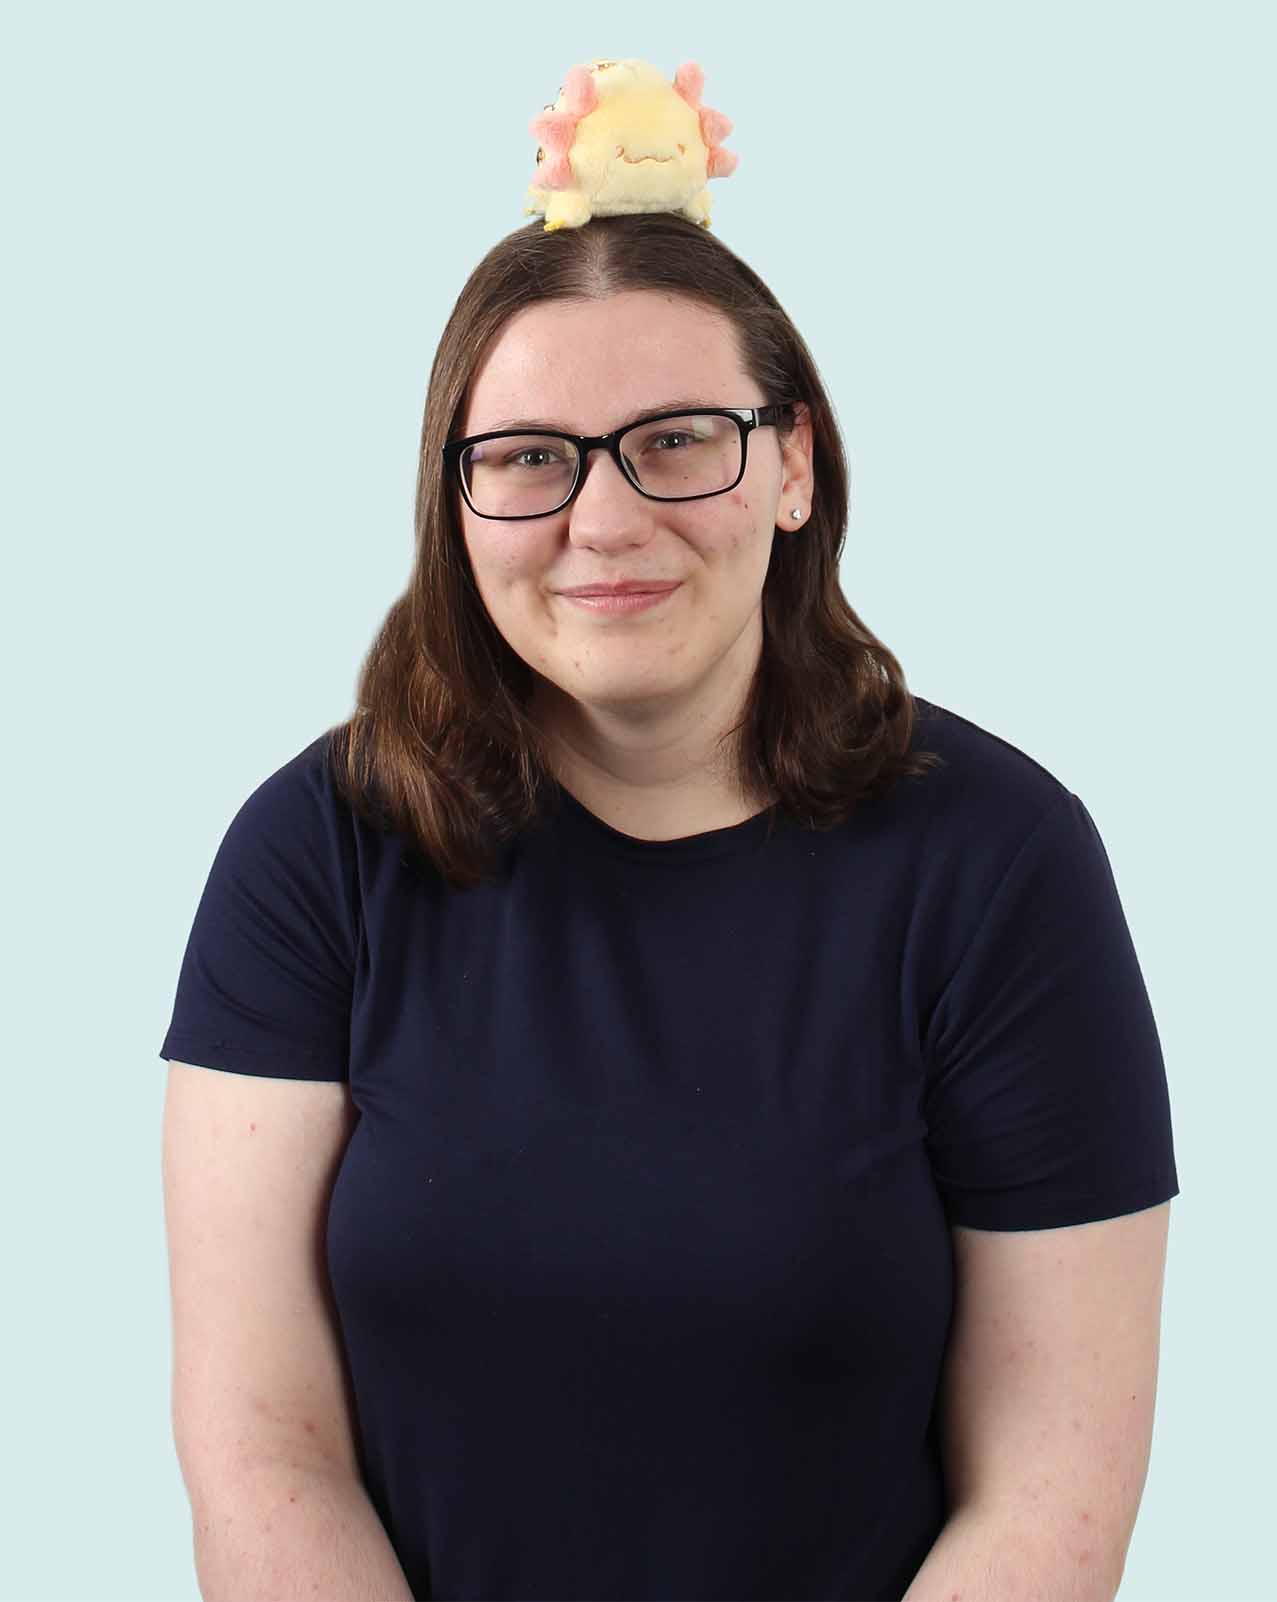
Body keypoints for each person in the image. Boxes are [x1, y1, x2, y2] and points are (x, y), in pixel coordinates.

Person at [160, 208, 1179, 1601]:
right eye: (529, 458)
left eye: (676, 438)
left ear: (793, 465)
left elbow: (1055, 1481)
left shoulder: (1003, 863)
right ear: (454, 503)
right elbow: (260, 1449)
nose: (604, 519)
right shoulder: (314, 853)